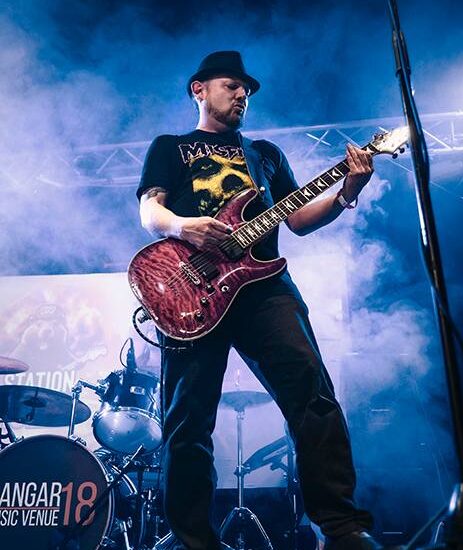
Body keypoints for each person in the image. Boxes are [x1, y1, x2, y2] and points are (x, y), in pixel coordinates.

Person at [137, 51, 380, 550]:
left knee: (313, 396)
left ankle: (342, 528)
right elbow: (149, 211)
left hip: (264, 288)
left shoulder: (264, 154)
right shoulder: (170, 146)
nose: (242, 94)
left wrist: (346, 192)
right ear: (199, 89)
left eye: (246, 89)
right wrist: (183, 226)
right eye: (232, 85)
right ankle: (193, 541)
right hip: (192, 289)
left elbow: (298, 219)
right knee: (187, 420)